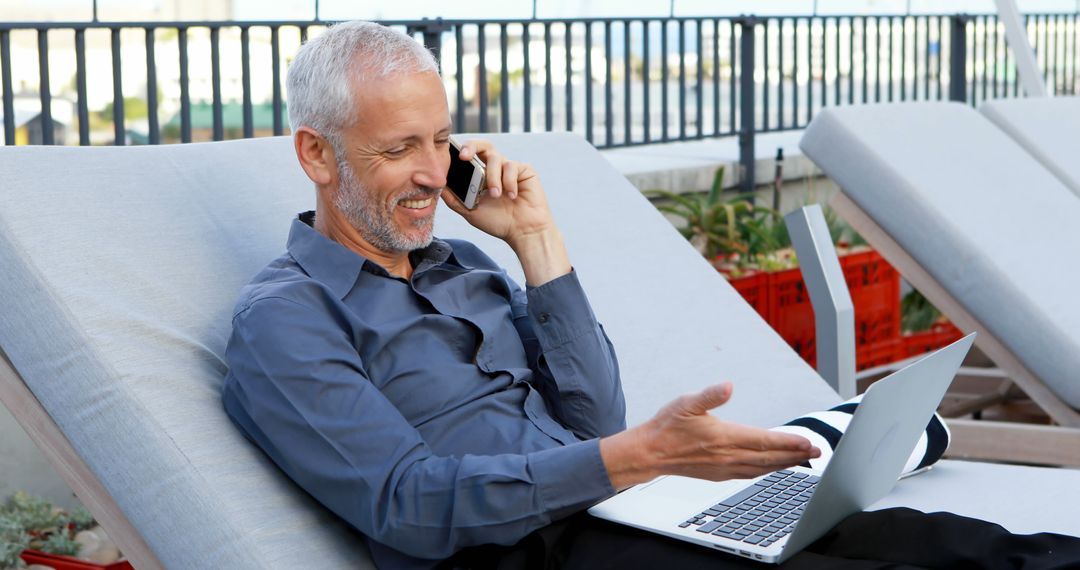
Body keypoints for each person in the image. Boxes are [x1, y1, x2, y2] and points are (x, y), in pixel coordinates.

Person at [223, 21, 1080, 570]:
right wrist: (638, 460)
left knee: (967, 547)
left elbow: (596, 418)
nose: (430, 171)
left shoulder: (466, 270)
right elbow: (407, 506)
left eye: (442, 139)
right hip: (538, 552)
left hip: (637, 507)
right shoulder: (289, 321)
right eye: (397, 147)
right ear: (316, 153)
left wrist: (535, 241)